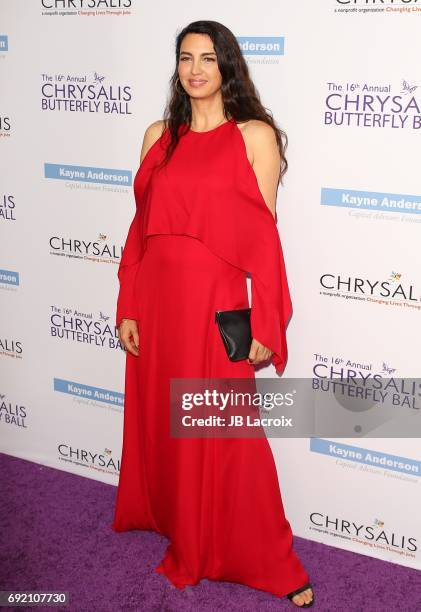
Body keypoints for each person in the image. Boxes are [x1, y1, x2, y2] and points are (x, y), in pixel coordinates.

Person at [110, 20, 314, 609]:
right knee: (168, 424)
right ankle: (181, 525)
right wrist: (129, 304)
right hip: (159, 300)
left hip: (213, 305)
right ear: (176, 68)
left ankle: (266, 556)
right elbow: (139, 231)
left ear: (227, 66)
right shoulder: (158, 135)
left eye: (208, 58)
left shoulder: (254, 135)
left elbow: (264, 240)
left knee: (228, 432)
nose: (196, 69)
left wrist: (266, 325)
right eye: (185, 58)